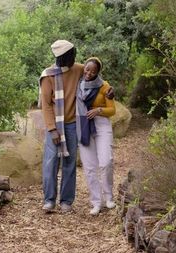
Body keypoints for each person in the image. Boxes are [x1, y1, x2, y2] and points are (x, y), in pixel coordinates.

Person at [38, 40, 83, 213]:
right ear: (62, 57)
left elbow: (95, 75)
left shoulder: (78, 69)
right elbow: (46, 105)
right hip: (54, 126)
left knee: (70, 163)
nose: (74, 58)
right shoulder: (48, 75)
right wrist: (52, 129)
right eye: (71, 55)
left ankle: (66, 201)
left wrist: (108, 89)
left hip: (72, 125)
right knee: (50, 163)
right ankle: (49, 200)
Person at [76, 57, 116, 215]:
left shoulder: (104, 86)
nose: (89, 73)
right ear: (83, 67)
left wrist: (98, 110)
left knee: (106, 162)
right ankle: (96, 202)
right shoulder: (77, 84)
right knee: (90, 167)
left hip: (101, 124)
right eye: (87, 69)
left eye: (93, 72)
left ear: (98, 72)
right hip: (83, 125)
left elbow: (112, 110)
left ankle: (109, 197)